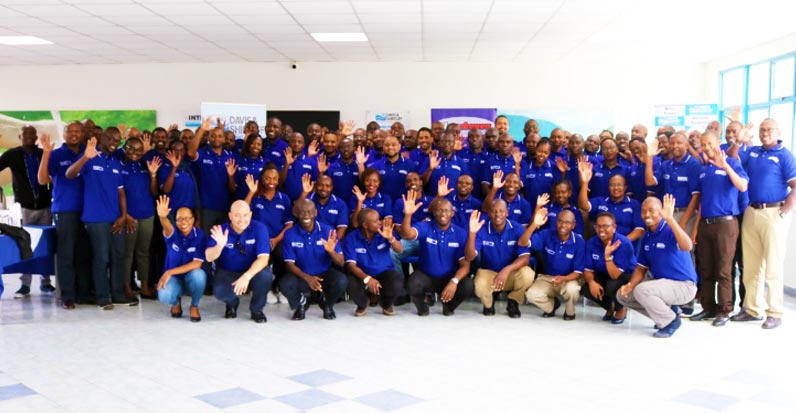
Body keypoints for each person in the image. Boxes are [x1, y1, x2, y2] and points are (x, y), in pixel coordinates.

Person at [732, 118, 796, 329]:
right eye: (762, 130)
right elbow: (732, 158)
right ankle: (752, 309)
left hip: (774, 213)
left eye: (769, 130)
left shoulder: (785, 155)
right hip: (751, 211)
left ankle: (775, 312)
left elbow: (795, 186)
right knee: (751, 266)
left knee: (773, 266)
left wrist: (784, 211)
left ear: (778, 132)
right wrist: (739, 141)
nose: (765, 133)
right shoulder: (753, 152)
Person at [66, 127, 138, 309]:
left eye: (118, 140)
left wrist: (123, 216)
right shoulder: (90, 157)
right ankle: (103, 298)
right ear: (103, 138)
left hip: (116, 219)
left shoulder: (116, 163)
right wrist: (85, 157)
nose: (114, 143)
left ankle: (118, 295)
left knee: (118, 257)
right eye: (111, 139)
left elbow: (121, 193)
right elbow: (70, 174)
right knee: (102, 258)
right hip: (96, 218)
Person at [617, 195, 698, 338]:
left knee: (643, 290)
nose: (647, 214)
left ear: (661, 211)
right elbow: (641, 267)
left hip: (683, 286)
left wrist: (670, 219)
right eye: (643, 211)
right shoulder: (647, 236)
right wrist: (630, 285)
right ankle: (668, 313)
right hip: (662, 286)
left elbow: (687, 246)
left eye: (652, 210)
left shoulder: (670, 229)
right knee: (623, 296)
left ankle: (671, 321)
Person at [691, 131, 748, 327]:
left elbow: (742, 186)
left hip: (726, 224)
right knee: (706, 269)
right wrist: (696, 229)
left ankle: (724, 310)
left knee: (724, 270)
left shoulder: (732, 162)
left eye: (710, 143)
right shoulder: (704, 170)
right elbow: (702, 202)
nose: (706, 148)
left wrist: (725, 167)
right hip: (706, 224)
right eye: (703, 144)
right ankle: (708, 307)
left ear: (718, 143)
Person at [37, 123, 92, 308]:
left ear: (82, 133)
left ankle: (83, 294)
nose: (74, 134)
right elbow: (42, 180)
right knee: (66, 255)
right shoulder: (56, 154)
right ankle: (67, 296)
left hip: (89, 211)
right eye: (70, 131)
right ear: (64, 133)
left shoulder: (89, 151)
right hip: (65, 210)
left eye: (77, 131)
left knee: (84, 254)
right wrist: (46, 153)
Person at [1, 125, 55, 298]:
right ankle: (25, 285)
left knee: (44, 246)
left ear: (36, 137)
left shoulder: (43, 153)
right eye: (25, 134)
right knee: (25, 245)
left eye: (32, 133)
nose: (29, 136)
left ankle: (46, 283)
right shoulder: (12, 154)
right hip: (24, 209)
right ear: (20, 137)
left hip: (45, 207)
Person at [398, 193, 473, 316]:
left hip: (449, 277)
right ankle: (422, 307)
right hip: (426, 276)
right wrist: (408, 215)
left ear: (452, 213)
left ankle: (448, 307)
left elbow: (465, 266)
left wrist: (454, 281)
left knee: (467, 285)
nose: (443, 214)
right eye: (439, 210)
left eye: (446, 211)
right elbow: (407, 234)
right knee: (411, 284)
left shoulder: (460, 233)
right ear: (434, 212)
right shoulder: (425, 226)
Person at [205, 200, 273, 323]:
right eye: (237, 215)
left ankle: (256, 309)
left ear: (250, 215)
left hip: (251, 273)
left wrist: (246, 276)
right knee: (219, 291)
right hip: (228, 272)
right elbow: (209, 257)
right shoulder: (220, 230)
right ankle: (232, 303)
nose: (242, 219)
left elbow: (263, 259)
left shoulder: (259, 228)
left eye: (245, 215)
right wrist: (219, 246)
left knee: (266, 274)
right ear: (230, 216)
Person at [279, 200, 348, 320]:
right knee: (285, 284)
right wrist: (307, 278)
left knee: (341, 280)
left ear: (315, 212)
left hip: (324, 274)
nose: (306, 216)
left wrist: (331, 251)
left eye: (309, 212)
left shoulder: (328, 231)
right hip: (301, 275)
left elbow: (341, 262)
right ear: (297, 213)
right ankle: (301, 304)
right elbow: (289, 265)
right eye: (302, 212)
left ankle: (326, 304)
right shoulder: (290, 234)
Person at [465, 201, 534, 318]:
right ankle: (488, 305)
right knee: (479, 285)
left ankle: (513, 302)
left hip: (511, 274)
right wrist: (472, 233)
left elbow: (525, 258)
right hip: (490, 274)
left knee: (528, 274)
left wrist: (506, 270)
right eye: (494, 211)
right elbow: (469, 257)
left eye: (501, 211)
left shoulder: (517, 228)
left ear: (507, 213)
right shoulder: (482, 229)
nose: (497, 214)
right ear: (489, 213)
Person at [244, 164, 294, 304]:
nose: (271, 181)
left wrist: (277, 239)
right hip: (259, 240)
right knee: (261, 261)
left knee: (283, 257)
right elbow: (242, 211)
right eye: (267, 178)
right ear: (262, 179)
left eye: (274, 178)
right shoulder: (256, 197)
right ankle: (262, 289)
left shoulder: (284, 198)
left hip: (278, 239)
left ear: (278, 180)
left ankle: (279, 288)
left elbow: (289, 224)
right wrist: (251, 192)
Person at [522, 209, 585, 320]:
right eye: (560, 221)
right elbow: (522, 242)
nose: (563, 225)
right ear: (556, 222)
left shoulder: (579, 241)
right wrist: (534, 225)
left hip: (568, 279)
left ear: (573, 225)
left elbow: (578, 273)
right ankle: (552, 307)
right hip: (548, 278)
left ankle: (570, 312)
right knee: (531, 295)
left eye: (567, 222)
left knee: (572, 290)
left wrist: (563, 278)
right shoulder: (547, 234)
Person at [154, 195, 206, 322]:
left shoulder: (199, 235)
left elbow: (197, 264)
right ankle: (176, 302)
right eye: (179, 219)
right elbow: (167, 227)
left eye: (187, 218)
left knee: (199, 275)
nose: (183, 222)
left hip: (190, 278)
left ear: (193, 219)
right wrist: (162, 217)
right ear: (175, 221)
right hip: (175, 280)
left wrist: (169, 272)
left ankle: (194, 305)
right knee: (164, 295)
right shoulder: (173, 234)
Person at [344, 210, 404, 316]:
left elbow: (399, 250)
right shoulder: (351, 238)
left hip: (384, 272)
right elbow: (351, 266)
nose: (380, 222)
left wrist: (390, 238)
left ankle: (385, 304)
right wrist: (367, 278)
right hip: (361, 274)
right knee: (348, 282)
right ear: (365, 225)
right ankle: (363, 304)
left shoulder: (384, 231)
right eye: (376, 221)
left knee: (397, 280)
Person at [581, 212, 637, 324]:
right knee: (586, 289)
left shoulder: (623, 243)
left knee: (611, 286)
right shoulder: (592, 242)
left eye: (605, 226)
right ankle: (609, 307)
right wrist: (591, 282)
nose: (601, 230)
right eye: (598, 226)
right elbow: (587, 269)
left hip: (625, 275)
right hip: (604, 273)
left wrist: (607, 256)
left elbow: (615, 275)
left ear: (614, 227)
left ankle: (621, 308)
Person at [120, 137, 158, 299]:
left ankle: (144, 286)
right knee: (127, 254)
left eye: (138, 150)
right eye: (131, 148)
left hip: (147, 215)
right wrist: (125, 215)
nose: (134, 153)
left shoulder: (145, 166)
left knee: (144, 253)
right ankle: (126, 287)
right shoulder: (119, 167)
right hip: (129, 217)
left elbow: (154, 192)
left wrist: (153, 175)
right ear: (124, 148)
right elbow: (116, 194)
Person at [578, 162, 644, 242]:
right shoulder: (600, 201)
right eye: (612, 185)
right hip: (601, 244)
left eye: (619, 185)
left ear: (625, 187)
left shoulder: (634, 204)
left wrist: (619, 244)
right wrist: (585, 183)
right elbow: (583, 205)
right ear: (608, 187)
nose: (616, 188)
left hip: (625, 245)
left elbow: (639, 230)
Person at [296, 173, 348, 240]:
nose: (324, 188)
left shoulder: (340, 204)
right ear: (315, 186)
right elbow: (295, 212)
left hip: (329, 241)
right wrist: (305, 193)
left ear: (332, 187)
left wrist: (333, 243)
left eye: (327, 186)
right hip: (307, 240)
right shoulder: (307, 199)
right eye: (320, 185)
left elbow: (341, 228)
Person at [367, 135, 417, 202]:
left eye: (393, 145)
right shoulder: (375, 166)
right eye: (387, 145)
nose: (390, 147)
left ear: (399, 146)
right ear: (383, 147)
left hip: (404, 203)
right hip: (383, 204)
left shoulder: (411, 165)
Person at [420, 132, 469, 197]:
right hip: (433, 200)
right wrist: (430, 169)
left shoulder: (461, 162)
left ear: (454, 143)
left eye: (449, 141)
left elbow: (467, 184)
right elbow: (422, 183)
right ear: (439, 143)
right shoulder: (430, 159)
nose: (446, 144)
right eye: (444, 141)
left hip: (454, 201)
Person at [522, 138, 561, 211]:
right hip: (530, 206)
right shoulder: (527, 165)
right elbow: (522, 188)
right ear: (536, 149)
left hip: (547, 208)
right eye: (540, 151)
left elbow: (557, 188)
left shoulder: (553, 166)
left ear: (549, 153)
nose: (542, 154)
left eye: (545, 152)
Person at [281, 132, 319, 201]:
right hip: (285, 200)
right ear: (289, 143)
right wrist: (287, 164)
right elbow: (280, 182)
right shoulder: (282, 160)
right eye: (293, 141)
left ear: (303, 145)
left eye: (299, 142)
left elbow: (315, 185)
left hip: (305, 201)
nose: (296, 144)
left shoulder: (312, 162)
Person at [232, 133, 266, 200]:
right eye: (252, 143)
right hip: (242, 200)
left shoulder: (266, 162)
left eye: (259, 144)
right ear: (248, 144)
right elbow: (233, 187)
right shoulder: (239, 161)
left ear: (262, 147)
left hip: (260, 202)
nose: (255, 146)